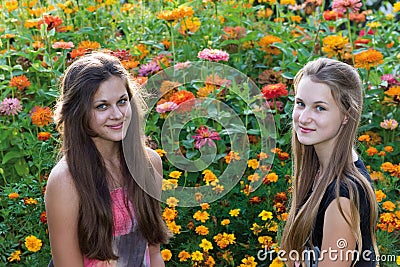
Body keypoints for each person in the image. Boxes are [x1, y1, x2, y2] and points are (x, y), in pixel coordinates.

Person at [45, 52, 171, 267]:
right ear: (78, 112)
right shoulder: (66, 181)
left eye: (122, 101)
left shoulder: (149, 163)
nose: (118, 114)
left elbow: (153, 253)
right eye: (102, 106)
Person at [281, 58, 378, 267]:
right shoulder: (317, 170)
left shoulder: (342, 196)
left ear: (346, 115)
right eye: (300, 104)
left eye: (320, 108)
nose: (304, 118)